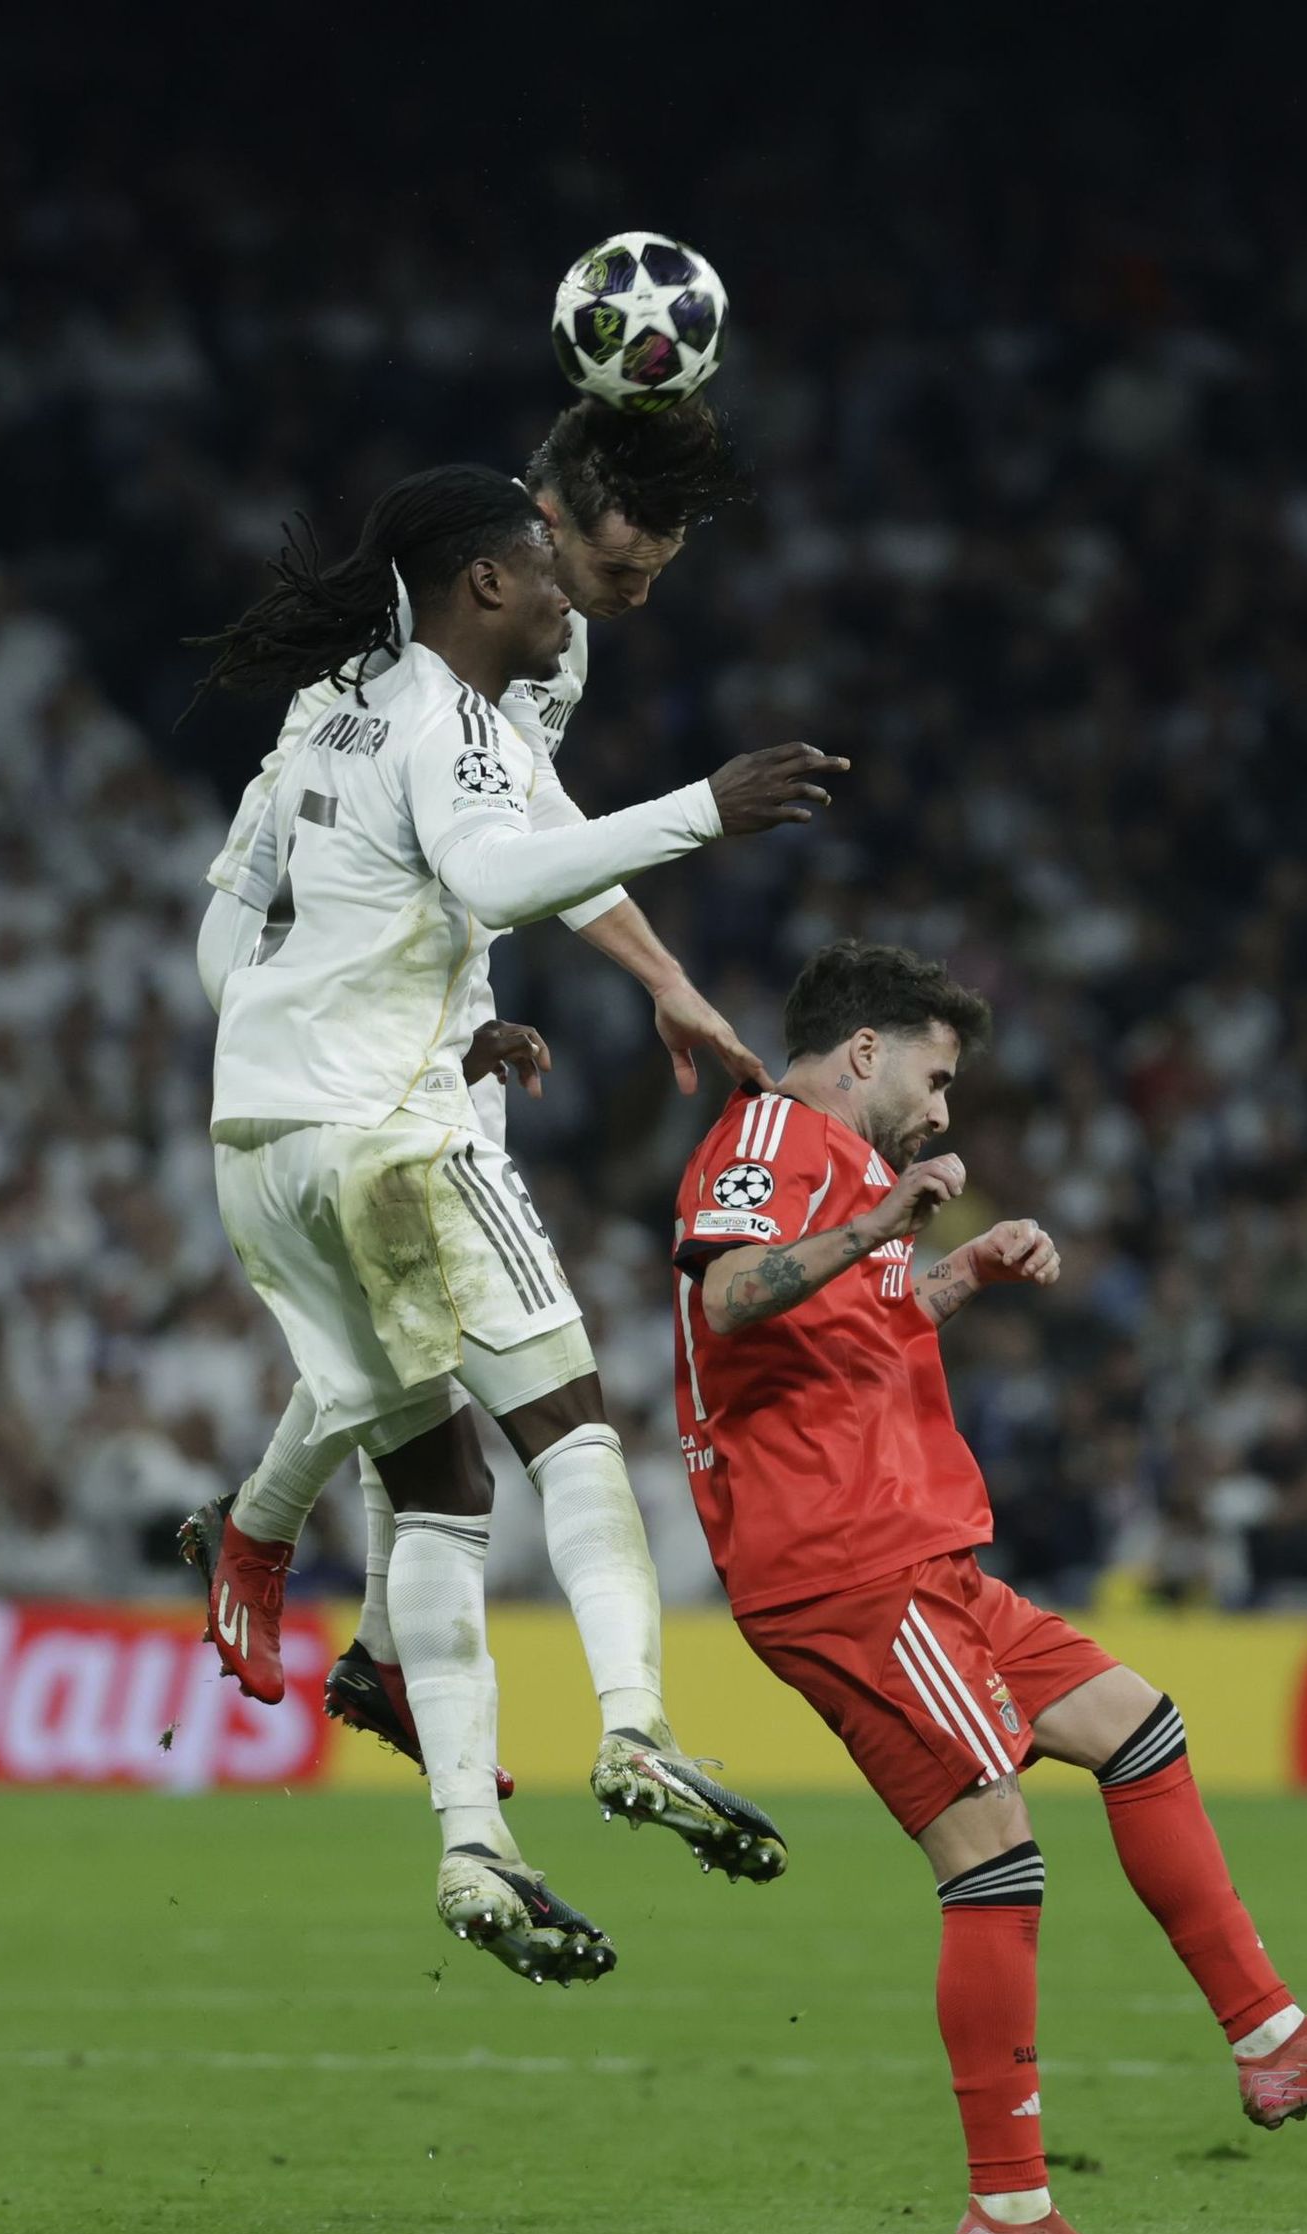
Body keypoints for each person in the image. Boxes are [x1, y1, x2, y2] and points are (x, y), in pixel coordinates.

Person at [671, 936, 1307, 2234]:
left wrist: (954, 1277)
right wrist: (885, 1219)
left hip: (926, 1554)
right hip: (844, 1565)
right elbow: (730, 1296)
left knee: (1140, 1727)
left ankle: (1271, 2040)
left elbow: (844, 1323)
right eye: (937, 1074)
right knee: (997, 1859)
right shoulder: (772, 1139)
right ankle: (1009, 2210)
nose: (943, 1110)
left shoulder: (847, 1168)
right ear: (867, 1051)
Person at [200, 461, 840, 1982]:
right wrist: (702, 810)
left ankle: (473, 1851)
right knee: (571, 1429)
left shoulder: (324, 709)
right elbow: (497, 866)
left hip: (259, 1143)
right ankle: (635, 1733)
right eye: (544, 577)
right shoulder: (454, 718)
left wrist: (381, 1027)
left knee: (436, 1479)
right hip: (392, 1147)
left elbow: (229, 936)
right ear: (486, 585)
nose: (568, 602)